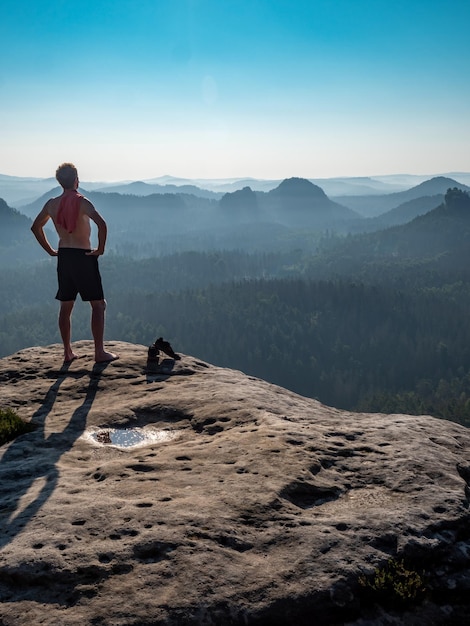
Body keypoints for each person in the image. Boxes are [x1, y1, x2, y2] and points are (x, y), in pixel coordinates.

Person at [31, 162, 118, 364]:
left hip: (64, 256)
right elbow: (102, 224)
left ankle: (67, 352)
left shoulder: (51, 203)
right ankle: (99, 352)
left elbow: (36, 227)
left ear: (60, 182)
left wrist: (50, 250)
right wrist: (101, 249)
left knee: (66, 306)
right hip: (83, 256)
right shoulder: (82, 202)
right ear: (76, 180)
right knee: (98, 305)